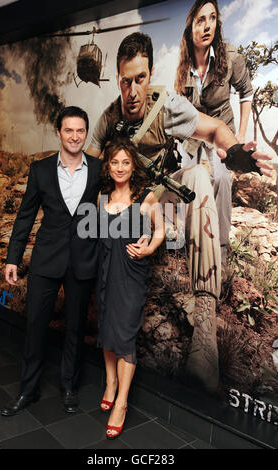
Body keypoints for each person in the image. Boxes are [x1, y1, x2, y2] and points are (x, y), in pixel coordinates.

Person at [86, 32, 272, 392]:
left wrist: (236, 154)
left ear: (150, 73)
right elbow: (89, 169)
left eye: (140, 79)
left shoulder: (165, 105)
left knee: (200, 177)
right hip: (130, 207)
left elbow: (215, 128)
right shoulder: (109, 117)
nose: (133, 91)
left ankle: (204, 326)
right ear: (118, 79)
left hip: (165, 198)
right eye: (126, 81)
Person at [1, 106, 102, 417]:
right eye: (68, 130)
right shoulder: (40, 170)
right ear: (58, 132)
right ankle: (27, 391)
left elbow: (115, 209)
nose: (74, 136)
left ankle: (69, 387)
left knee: (74, 329)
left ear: (86, 133)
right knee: (35, 326)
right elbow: (25, 216)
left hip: (83, 261)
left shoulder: (99, 170)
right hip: (46, 259)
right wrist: (13, 258)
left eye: (80, 131)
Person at [96, 137, 165, 439]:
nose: (120, 167)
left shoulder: (146, 197)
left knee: (124, 335)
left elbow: (161, 230)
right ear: (108, 166)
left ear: (133, 164)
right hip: (105, 272)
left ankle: (121, 402)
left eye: (126, 162)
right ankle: (110, 382)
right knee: (107, 329)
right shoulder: (102, 197)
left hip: (132, 274)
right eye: (115, 162)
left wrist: (149, 247)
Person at [175, 0, 253, 262]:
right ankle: (186, 240)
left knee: (220, 178)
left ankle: (220, 247)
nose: (207, 25)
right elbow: (182, 107)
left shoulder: (231, 57)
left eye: (212, 18)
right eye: (200, 20)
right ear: (190, 27)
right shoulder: (183, 65)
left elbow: (246, 92)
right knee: (187, 181)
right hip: (194, 134)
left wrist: (239, 136)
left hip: (221, 132)